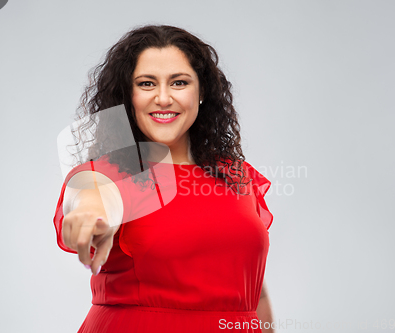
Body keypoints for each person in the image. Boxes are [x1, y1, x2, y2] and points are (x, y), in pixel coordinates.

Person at [53, 24, 275, 332]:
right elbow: (89, 197)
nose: (163, 98)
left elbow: (252, 288)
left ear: (202, 92)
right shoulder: (105, 173)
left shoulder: (236, 176)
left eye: (179, 82)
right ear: (127, 96)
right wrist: (89, 214)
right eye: (146, 84)